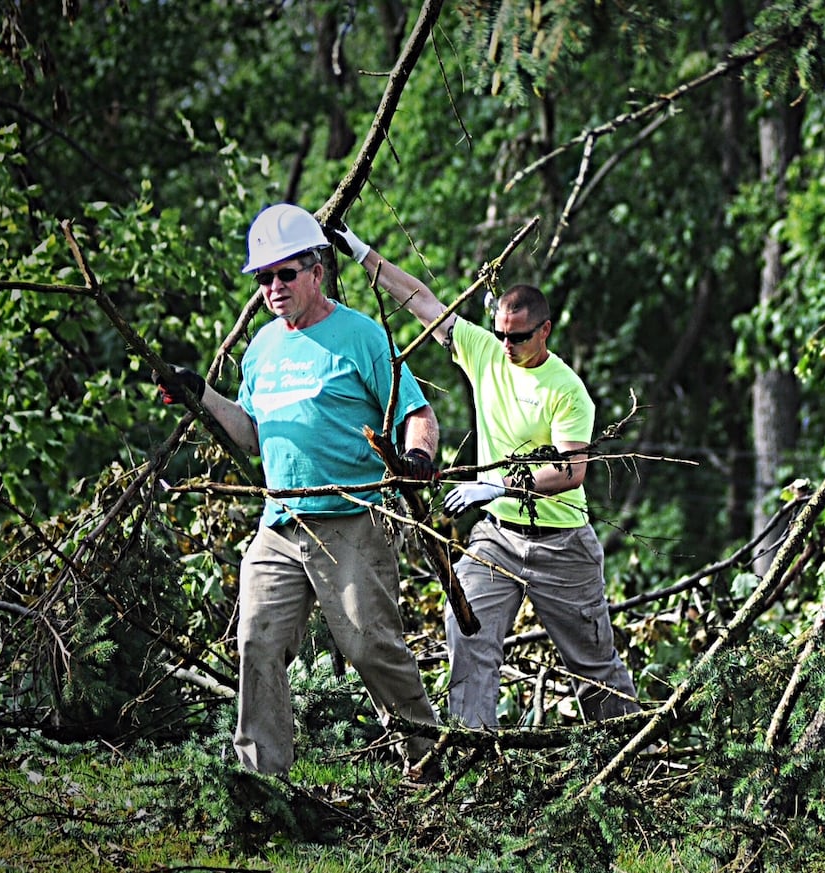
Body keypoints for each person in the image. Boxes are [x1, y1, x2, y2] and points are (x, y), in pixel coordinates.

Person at [157, 203, 442, 779]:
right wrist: (200, 394)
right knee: (256, 643)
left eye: (285, 273)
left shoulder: (360, 335)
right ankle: (263, 784)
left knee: (369, 648)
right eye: (264, 277)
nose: (274, 287)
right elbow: (251, 431)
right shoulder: (262, 348)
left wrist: (418, 457)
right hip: (280, 522)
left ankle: (430, 763)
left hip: (350, 519)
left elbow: (418, 412)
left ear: (317, 270)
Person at [324, 220, 640, 729]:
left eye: (517, 337)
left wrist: (498, 484)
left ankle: (629, 754)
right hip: (497, 538)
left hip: (562, 544)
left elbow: (571, 469)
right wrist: (361, 252)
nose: (506, 345)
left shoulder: (566, 389)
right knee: (467, 637)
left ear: (545, 331)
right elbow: (421, 300)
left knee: (595, 667)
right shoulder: (486, 351)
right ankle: (476, 761)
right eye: (500, 334)